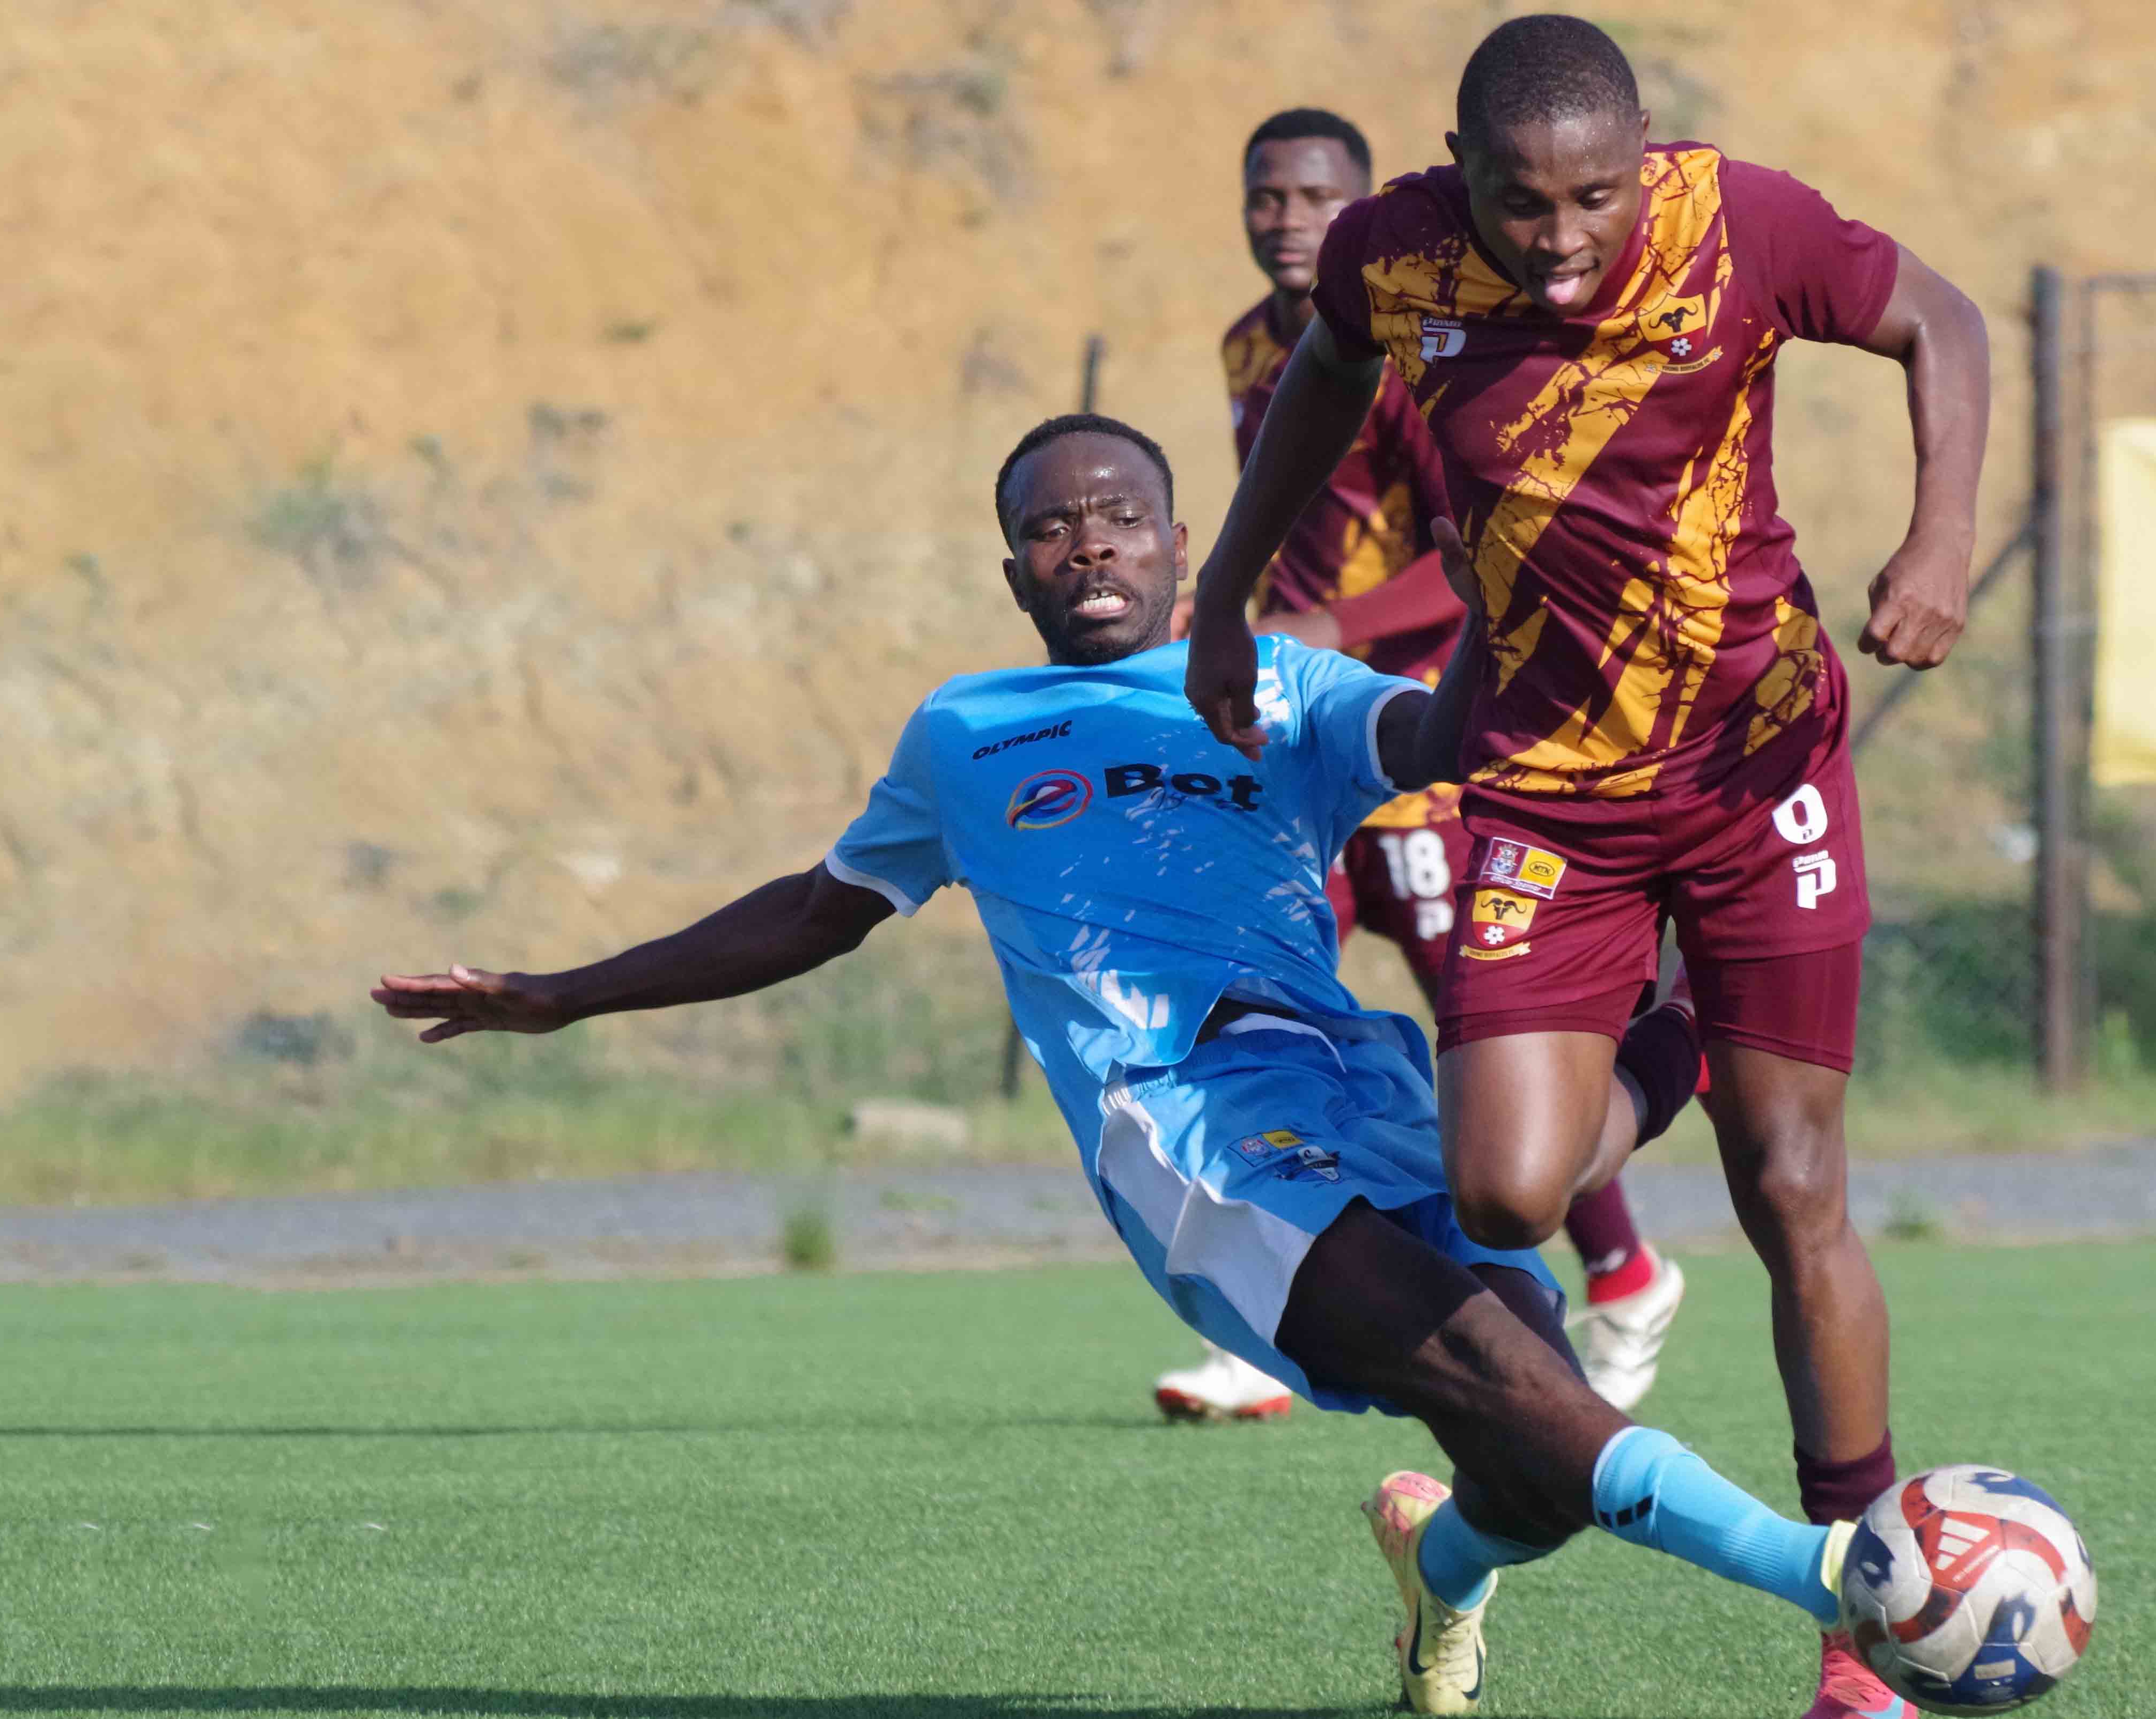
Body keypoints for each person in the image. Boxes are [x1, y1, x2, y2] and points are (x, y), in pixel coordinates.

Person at [371, 416, 1909, 1719]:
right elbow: (814, 910)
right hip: (1186, 1125)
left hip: (1357, 1082)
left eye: (1117, 517)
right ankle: (1850, 1581)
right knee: (1503, 1379)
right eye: (1049, 529)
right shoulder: (963, 731)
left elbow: (1442, 740)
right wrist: (564, 994)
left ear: (1185, 546)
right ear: (1013, 572)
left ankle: (1437, 1562)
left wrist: (1496, 607)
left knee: (1534, 1450)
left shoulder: (1280, 687)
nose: (1087, 544)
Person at [1178, 18, 1989, 1717]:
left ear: (1644, 160)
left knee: (1792, 1184)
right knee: (1505, 1197)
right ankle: (1679, 1034)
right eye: (1522, 202)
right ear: (1457, 171)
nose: (1561, 240)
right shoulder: (1394, 254)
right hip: (1547, 792)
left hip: (1756, 762)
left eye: (1594, 198)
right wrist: (1230, 593)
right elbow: (1324, 374)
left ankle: (1859, 1646)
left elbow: (1944, 319)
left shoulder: (1739, 224)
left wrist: (1937, 536)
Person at [1156, 106, 1694, 1425]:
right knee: (1257, 999)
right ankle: (1274, 1314)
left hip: (1432, 735)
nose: (1287, 219)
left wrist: (1325, 630)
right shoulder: (1249, 348)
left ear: (1361, 210)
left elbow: (1455, 555)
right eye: (1265, 195)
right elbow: (1288, 522)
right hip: (1310, 736)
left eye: (1313, 197)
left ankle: (1622, 1272)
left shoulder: (1406, 353)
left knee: (1484, 1032)